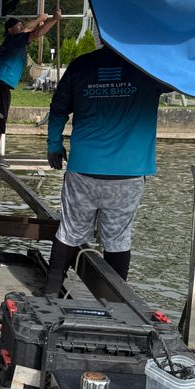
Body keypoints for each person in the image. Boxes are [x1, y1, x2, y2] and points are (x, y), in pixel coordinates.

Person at [44, 43, 168, 293]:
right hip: (129, 173)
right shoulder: (147, 66)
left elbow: (58, 109)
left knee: (69, 232)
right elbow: (189, 78)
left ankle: (51, 292)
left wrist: (54, 145)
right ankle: (116, 301)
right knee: (117, 239)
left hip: (84, 168)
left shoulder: (81, 65)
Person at [0, 11, 59, 162]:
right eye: (18, 24)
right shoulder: (14, 40)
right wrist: (53, 20)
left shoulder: (15, 40)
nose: (22, 25)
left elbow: (29, 29)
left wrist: (41, 19)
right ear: (10, 29)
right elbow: (36, 32)